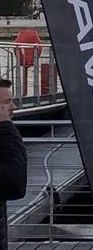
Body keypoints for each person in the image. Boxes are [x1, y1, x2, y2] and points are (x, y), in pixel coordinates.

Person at [0, 78, 27, 250]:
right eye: (7, 102)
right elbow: (14, 184)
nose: (13, 107)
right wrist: (6, 128)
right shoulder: (5, 133)